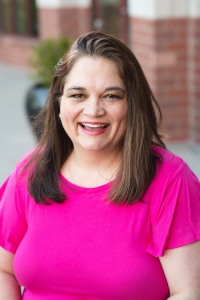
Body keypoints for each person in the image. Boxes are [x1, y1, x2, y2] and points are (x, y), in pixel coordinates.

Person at [0, 31, 200, 300]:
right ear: (59, 103)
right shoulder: (30, 171)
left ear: (132, 105)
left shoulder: (170, 179)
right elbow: (3, 269)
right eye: (78, 95)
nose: (93, 110)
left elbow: (188, 291)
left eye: (111, 96)